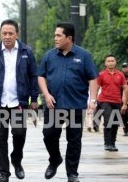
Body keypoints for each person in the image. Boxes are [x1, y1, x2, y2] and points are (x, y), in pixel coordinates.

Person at [37, 22, 98, 182]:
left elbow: (92, 78)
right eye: (55, 35)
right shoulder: (49, 55)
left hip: (76, 105)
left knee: (74, 140)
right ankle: (55, 159)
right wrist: (46, 94)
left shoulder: (84, 56)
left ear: (69, 38)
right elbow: (41, 75)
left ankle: (72, 173)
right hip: (53, 104)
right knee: (49, 135)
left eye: (58, 35)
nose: (55, 38)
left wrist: (93, 99)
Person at [0, 19, 39, 182]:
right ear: (0, 34)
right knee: (0, 137)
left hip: (19, 102)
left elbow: (33, 75)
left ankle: (16, 159)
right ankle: (4, 172)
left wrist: (34, 98)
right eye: (4, 33)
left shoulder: (27, 52)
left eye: (10, 33)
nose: (7, 36)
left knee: (19, 133)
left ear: (17, 34)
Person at [96, 55, 127, 151]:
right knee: (108, 121)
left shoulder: (120, 75)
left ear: (115, 62)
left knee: (115, 123)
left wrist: (125, 102)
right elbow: (96, 87)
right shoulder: (101, 75)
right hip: (105, 100)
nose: (110, 62)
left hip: (117, 101)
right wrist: (93, 100)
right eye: (108, 61)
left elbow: (125, 89)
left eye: (112, 60)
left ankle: (113, 143)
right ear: (105, 63)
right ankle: (107, 143)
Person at [120, 62, 128, 136]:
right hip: (123, 97)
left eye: (126, 67)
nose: (125, 68)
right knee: (124, 114)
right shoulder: (120, 76)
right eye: (123, 67)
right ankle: (125, 130)